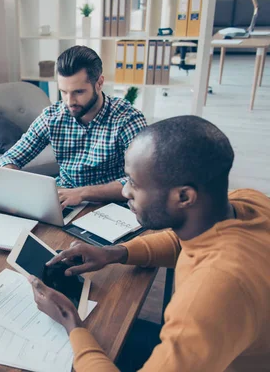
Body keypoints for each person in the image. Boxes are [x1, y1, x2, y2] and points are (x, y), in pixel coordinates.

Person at [29, 115, 270, 371]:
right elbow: (181, 242)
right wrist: (115, 253)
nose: (125, 192)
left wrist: (71, 323)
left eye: (134, 182)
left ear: (184, 196)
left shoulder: (211, 293)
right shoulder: (248, 201)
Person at [0, 45, 147, 207]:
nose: (69, 101)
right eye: (64, 92)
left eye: (78, 92)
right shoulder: (52, 117)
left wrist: (82, 193)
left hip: (111, 207)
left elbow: (142, 181)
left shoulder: (127, 119)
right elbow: (9, 158)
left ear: (99, 83)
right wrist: (10, 176)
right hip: (64, 202)